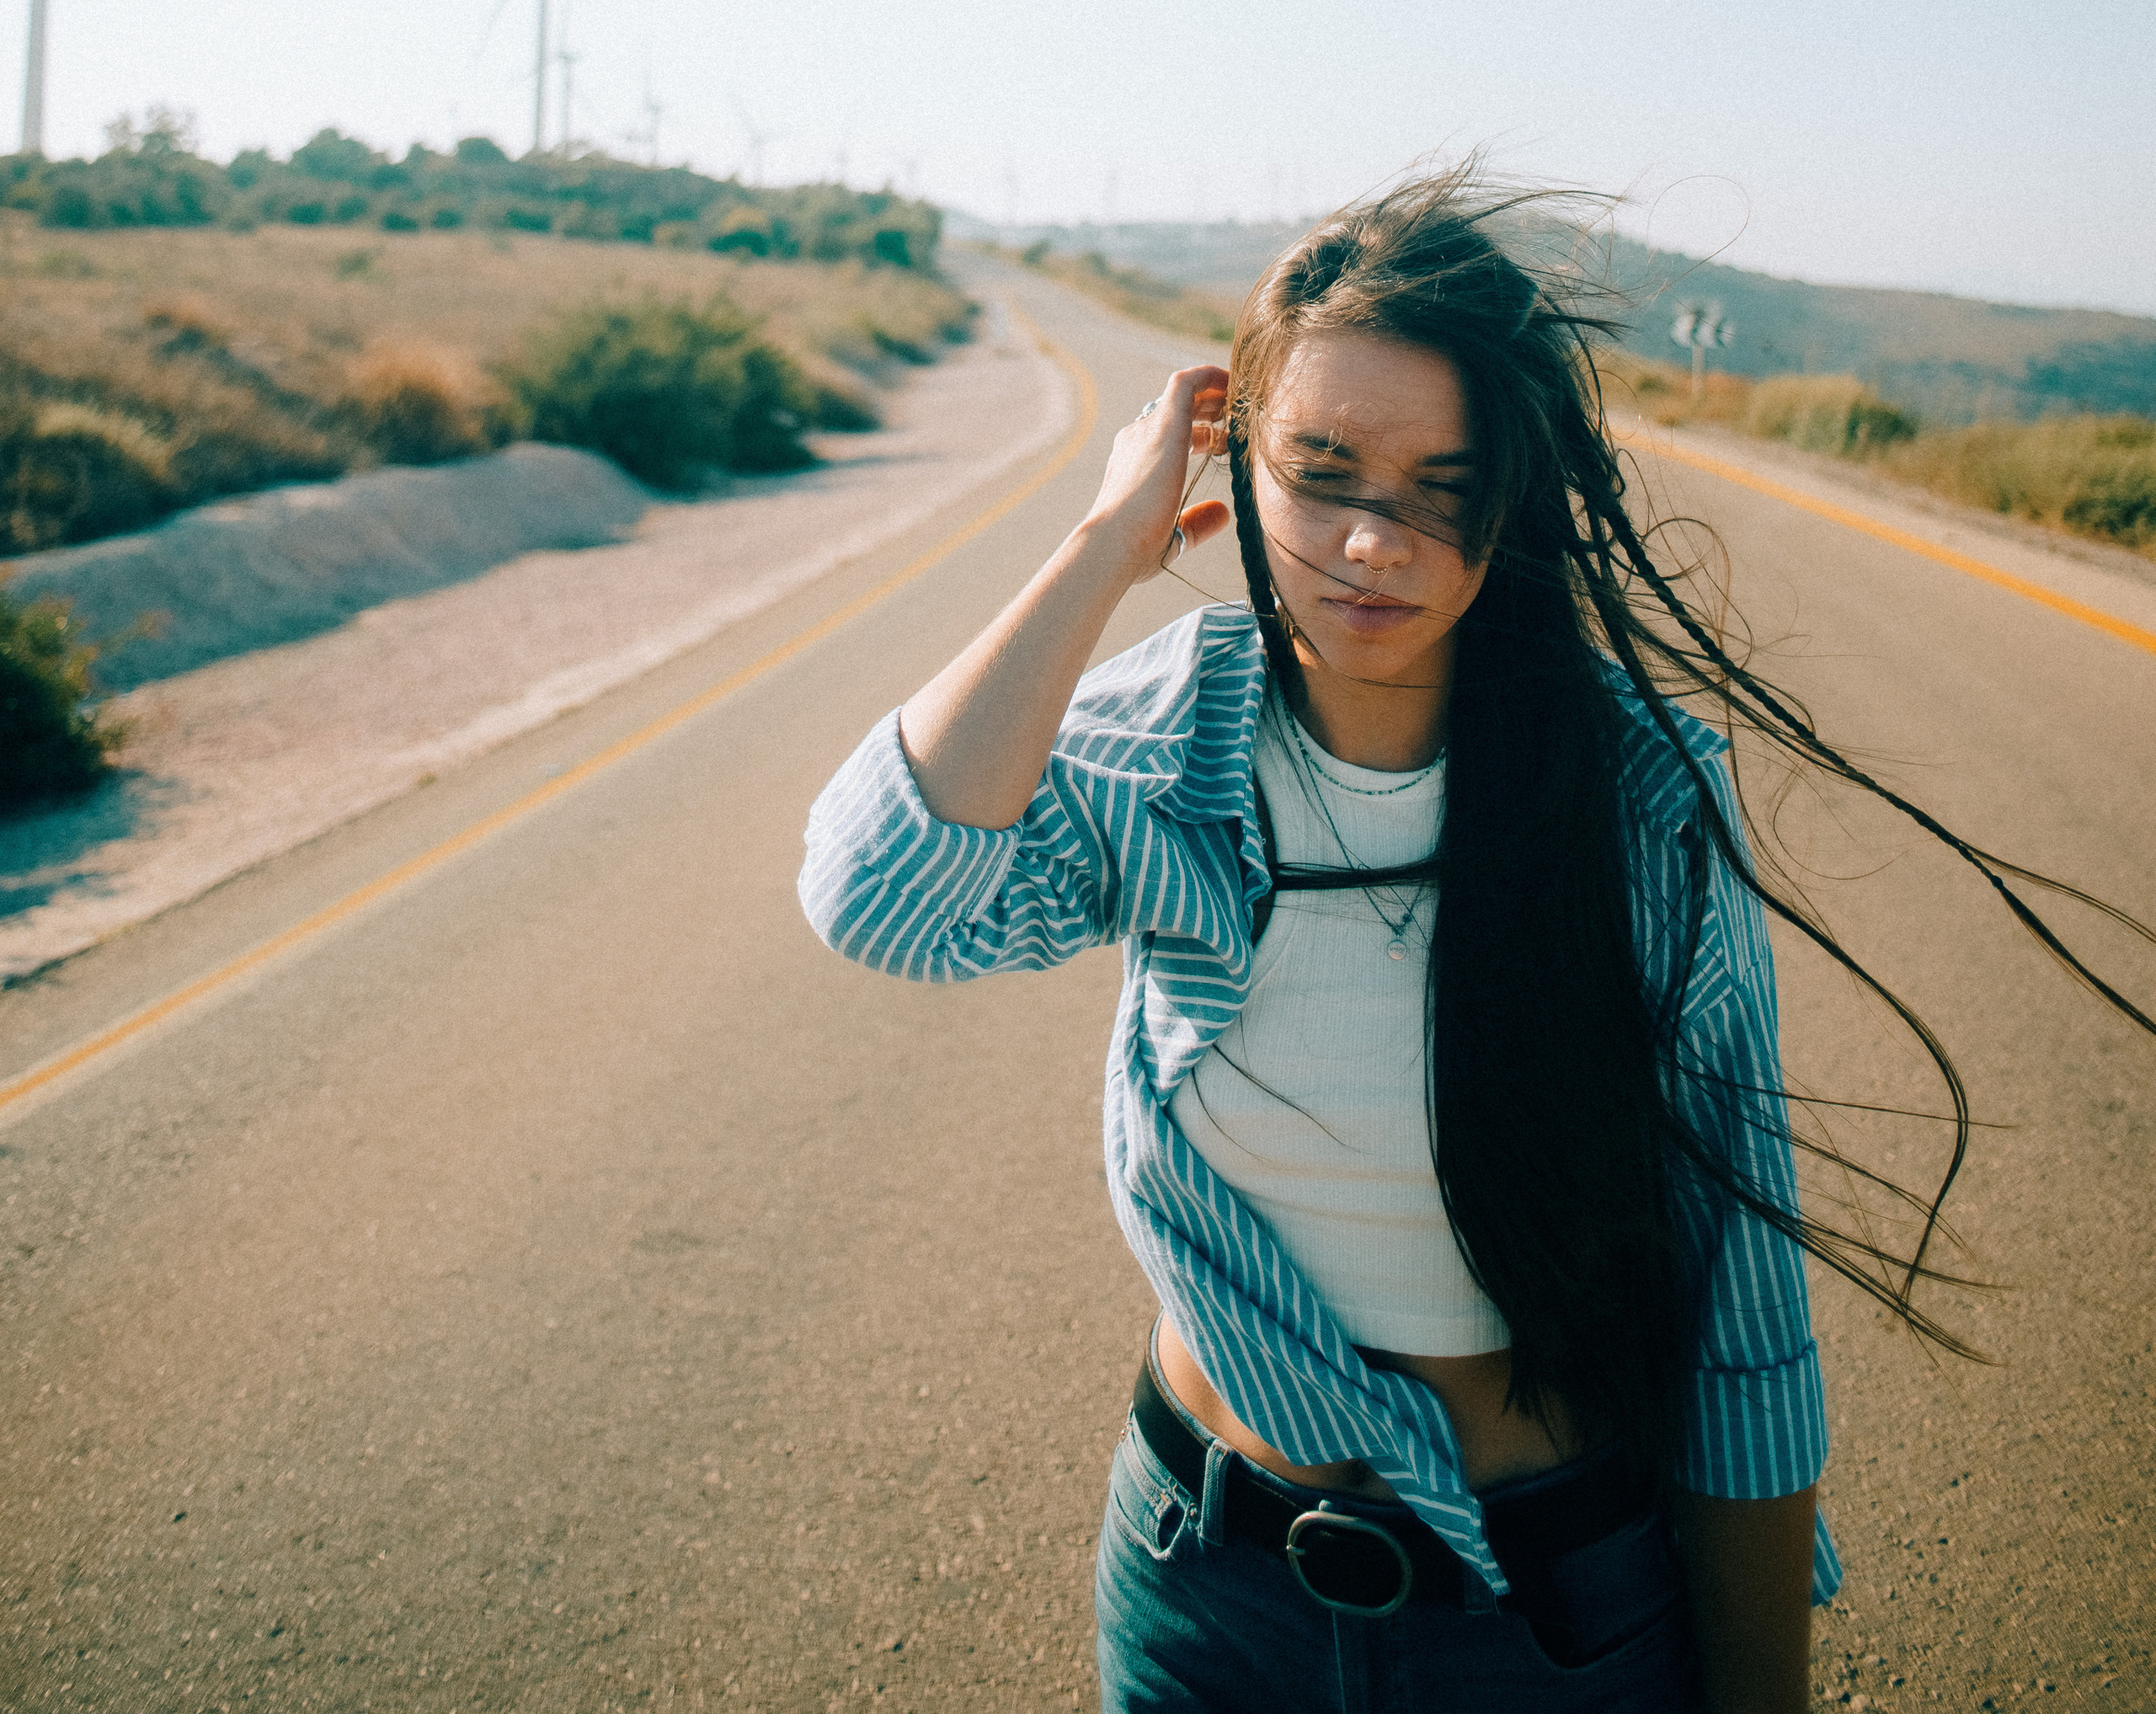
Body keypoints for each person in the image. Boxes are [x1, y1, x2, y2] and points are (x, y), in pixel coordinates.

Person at [798, 175, 2149, 1714]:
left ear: (1514, 501)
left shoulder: (1637, 796)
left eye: (1445, 487)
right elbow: (880, 891)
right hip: (1207, 1586)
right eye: (1322, 472)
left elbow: (1744, 1314)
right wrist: (1109, 541)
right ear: (1236, 461)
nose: (1375, 541)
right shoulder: (1167, 745)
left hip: (1555, 1612)